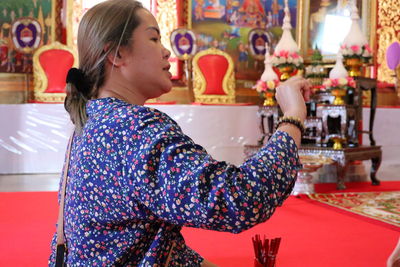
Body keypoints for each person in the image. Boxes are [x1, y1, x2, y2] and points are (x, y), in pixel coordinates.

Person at [48, 0, 310, 266]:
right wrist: (293, 117)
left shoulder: (94, 120)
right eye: (153, 38)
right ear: (117, 55)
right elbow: (239, 198)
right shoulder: (134, 130)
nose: (166, 52)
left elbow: (144, 243)